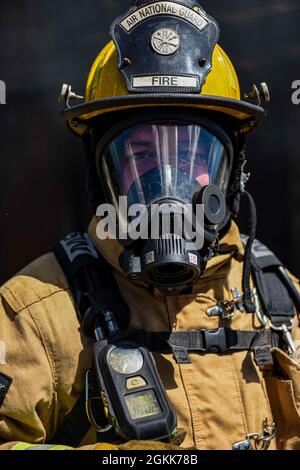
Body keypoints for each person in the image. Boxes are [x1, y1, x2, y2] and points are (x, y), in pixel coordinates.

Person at [0, 0, 300, 451]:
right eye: (140, 157)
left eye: (189, 156)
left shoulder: (283, 304)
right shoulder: (34, 313)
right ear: (103, 177)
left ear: (230, 171)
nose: (167, 182)